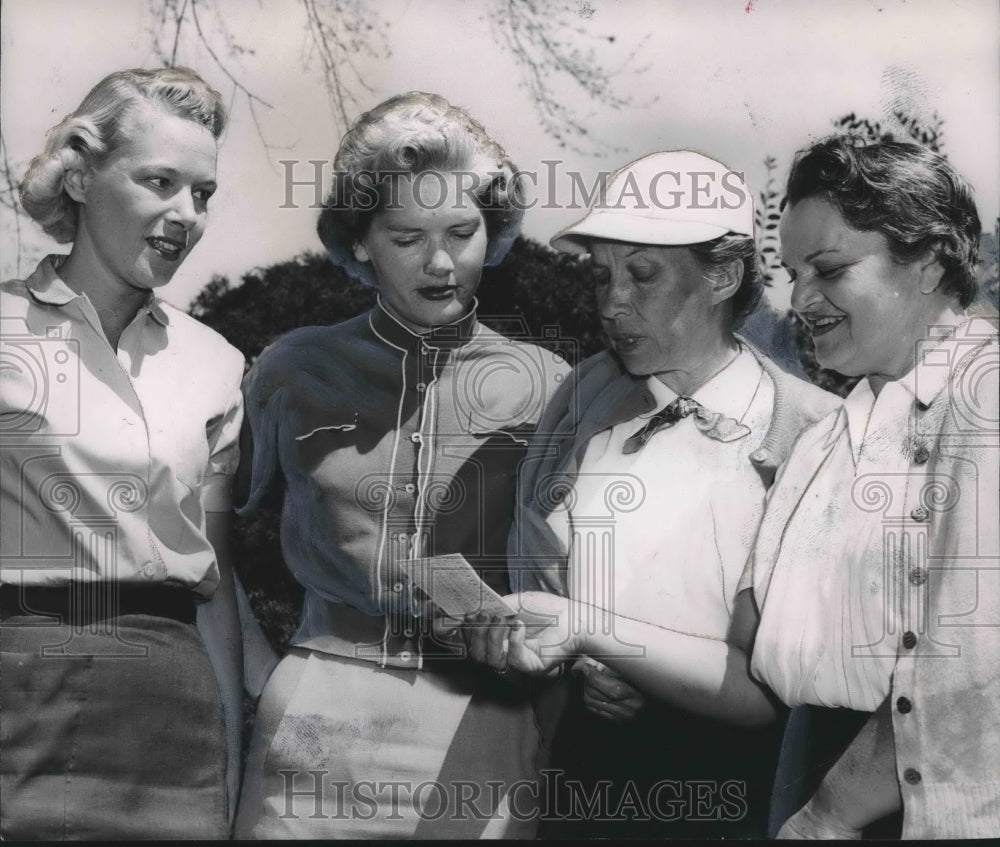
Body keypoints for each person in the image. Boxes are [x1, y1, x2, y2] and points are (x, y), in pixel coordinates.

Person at [467, 135, 999, 840]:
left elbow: (965, 675)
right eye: (798, 272)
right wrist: (590, 645)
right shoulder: (836, 439)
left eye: (831, 270)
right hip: (769, 785)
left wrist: (828, 815)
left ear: (929, 264)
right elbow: (763, 666)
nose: (802, 298)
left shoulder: (972, 408)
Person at [233, 91, 570, 839]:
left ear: (497, 230)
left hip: (479, 725)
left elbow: (570, 575)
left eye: (462, 231)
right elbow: (205, 541)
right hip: (315, 724)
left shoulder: (548, 381)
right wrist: (260, 667)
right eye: (407, 236)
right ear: (360, 241)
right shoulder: (290, 368)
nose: (442, 262)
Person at [502, 150, 838, 838]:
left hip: (735, 790)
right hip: (581, 773)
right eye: (602, 275)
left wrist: (611, 644)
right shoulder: (583, 396)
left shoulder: (814, 435)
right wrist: (581, 663)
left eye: (643, 274)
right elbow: (533, 557)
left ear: (723, 274)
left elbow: (783, 683)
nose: (611, 302)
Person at [1, 66, 246, 839]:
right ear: (80, 176)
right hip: (20, 695)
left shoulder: (217, 363)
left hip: (173, 716)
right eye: (160, 181)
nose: (186, 215)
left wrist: (232, 761)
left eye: (201, 193)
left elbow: (217, 582)